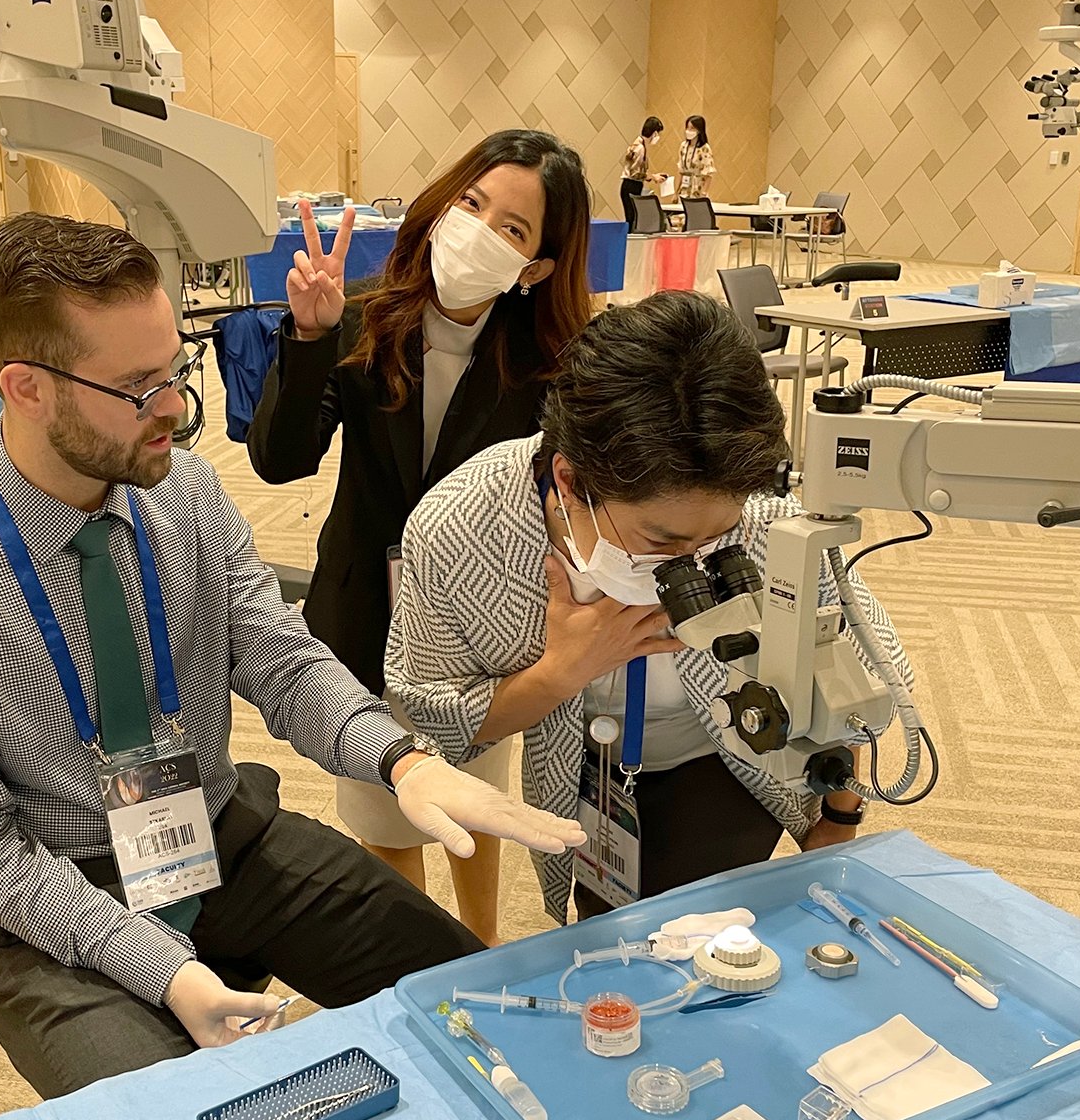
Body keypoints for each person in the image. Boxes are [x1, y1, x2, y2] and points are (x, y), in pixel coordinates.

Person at [0, 213, 583, 1099]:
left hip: (209, 835)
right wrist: (167, 971)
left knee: (466, 993)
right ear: (27, 388)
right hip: (43, 891)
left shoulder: (184, 494)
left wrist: (401, 759)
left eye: (174, 369)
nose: (179, 410)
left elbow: (280, 658)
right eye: (138, 387)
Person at [385, 291, 911, 926]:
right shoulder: (462, 528)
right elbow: (432, 719)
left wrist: (838, 819)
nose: (691, 561)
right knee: (605, 931)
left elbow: (858, 676)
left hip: (728, 755)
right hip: (581, 764)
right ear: (570, 480)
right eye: (662, 541)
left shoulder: (772, 519)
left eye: (716, 539)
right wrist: (558, 675)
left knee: (705, 931)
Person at [248, 130, 592, 944]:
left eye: (512, 228)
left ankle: (480, 942)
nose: (478, 230)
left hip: (478, 626)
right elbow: (278, 461)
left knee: (477, 792)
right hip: (364, 610)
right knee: (388, 812)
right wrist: (308, 338)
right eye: (472, 204)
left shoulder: (548, 364)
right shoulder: (359, 319)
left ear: (535, 267)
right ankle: (424, 954)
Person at [620, 116, 665, 230]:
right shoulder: (640, 148)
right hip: (632, 185)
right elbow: (635, 173)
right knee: (632, 219)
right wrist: (653, 177)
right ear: (654, 133)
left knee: (631, 218)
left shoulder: (637, 144)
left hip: (629, 185)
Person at [678, 115, 716, 200]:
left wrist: (704, 193)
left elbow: (709, 174)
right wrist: (676, 192)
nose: (688, 131)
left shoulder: (704, 148)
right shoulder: (683, 146)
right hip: (684, 190)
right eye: (687, 128)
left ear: (699, 130)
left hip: (698, 189)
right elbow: (681, 171)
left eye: (692, 128)